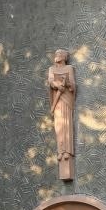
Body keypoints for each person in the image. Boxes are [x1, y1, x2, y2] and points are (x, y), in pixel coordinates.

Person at [47, 49, 76, 179]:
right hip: (57, 101)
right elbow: (50, 81)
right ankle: (60, 150)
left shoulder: (69, 68)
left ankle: (67, 151)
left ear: (64, 57)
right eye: (56, 54)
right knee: (59, 125)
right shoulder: (51, 69)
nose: (56, 56)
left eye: (59, 54)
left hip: (66, 100)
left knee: (66, 124)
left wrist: (68, 84)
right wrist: (57, 85)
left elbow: (73, 85)